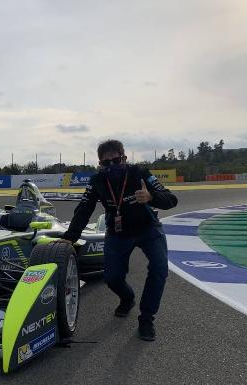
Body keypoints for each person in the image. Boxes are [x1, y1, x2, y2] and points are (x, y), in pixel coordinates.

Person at [58, 139, 178, 341]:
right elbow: (84, 209)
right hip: (118, 232)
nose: (112, 166)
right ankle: (127, 298)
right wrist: (69, 238)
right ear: (100, 164)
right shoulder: (97, 180)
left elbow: (171, 199)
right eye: (106, 163)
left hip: (147, 228)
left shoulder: (140, 173)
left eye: (116, 160)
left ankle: (147, 318)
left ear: (124, 157)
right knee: (112, 277)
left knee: (159, 268)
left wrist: (150, 197)